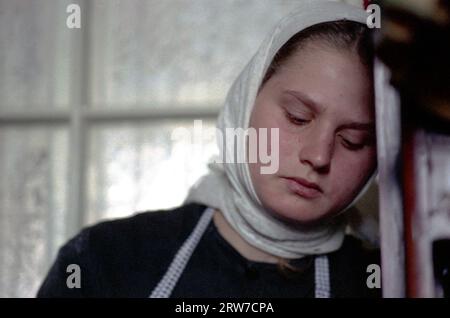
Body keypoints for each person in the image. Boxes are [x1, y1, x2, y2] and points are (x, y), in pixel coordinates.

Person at [37, 0, 380, 298]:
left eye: (353, 140)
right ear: (245, 102)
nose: (318, 156)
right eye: (298, 117)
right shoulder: (102, 262)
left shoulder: (386, 282)